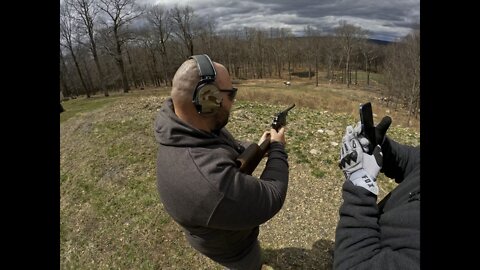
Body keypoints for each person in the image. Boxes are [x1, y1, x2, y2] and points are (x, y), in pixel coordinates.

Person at [154, 54, 289, 270]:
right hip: (234, 249)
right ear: (208, 99)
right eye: (231, 94)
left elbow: (224, 151)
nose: (234, 101)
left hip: (214, 229)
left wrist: (258, 147)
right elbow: (272, 196)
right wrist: (278, 149)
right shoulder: (210, 182)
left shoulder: (188, 127)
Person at [334, 116, 420, 269]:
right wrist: (378, 145)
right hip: (370, 234)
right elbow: (412, 161)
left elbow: (356, 265)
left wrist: (361, 184)